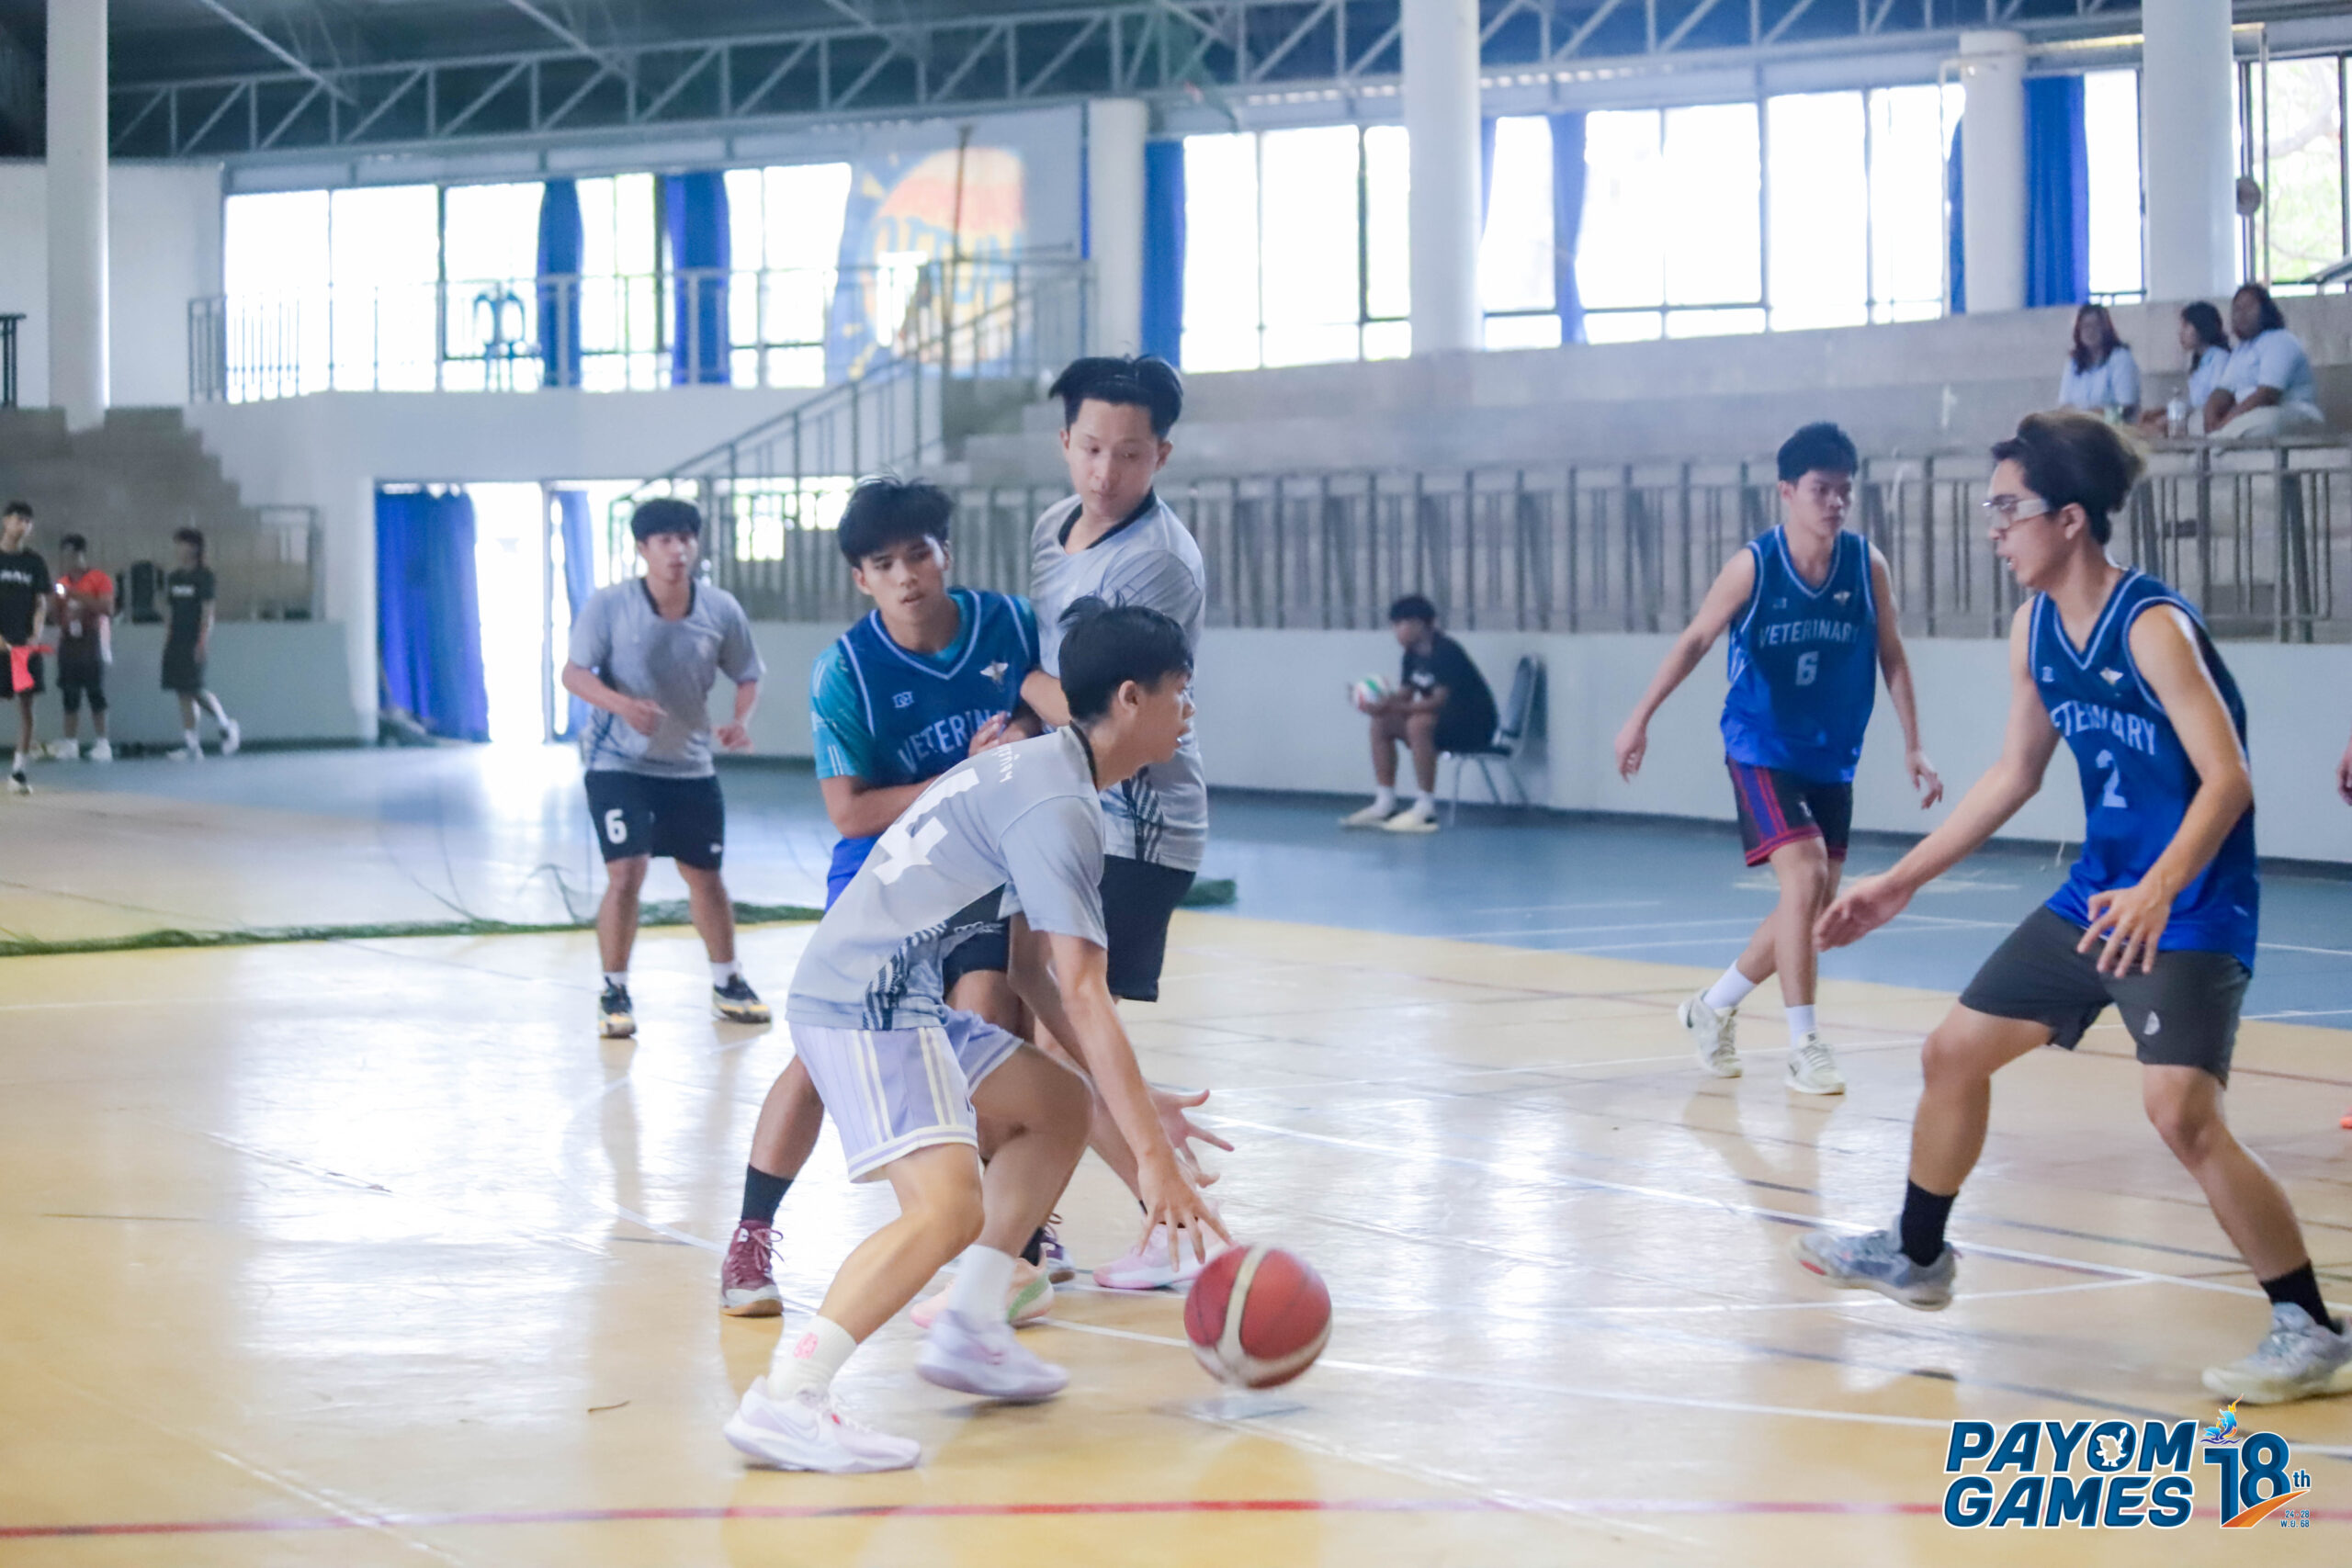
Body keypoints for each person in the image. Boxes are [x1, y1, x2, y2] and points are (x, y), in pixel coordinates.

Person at [1802, 410, 2350, 1405]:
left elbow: (2229, 780)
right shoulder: (2037, 629)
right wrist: (1898, 881)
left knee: (2180, 1112)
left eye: (2006, 510)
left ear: (2069, 519)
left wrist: (2158, 889)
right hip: (2098, 896)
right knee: (1951, 1053)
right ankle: (1918, 1255)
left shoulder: (2152, 627)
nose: (1993, 530)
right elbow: (2013, 773)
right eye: (1989, 510)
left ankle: (2309, 1327)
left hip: (2189, 902)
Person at [722, 600, 1228, 1474]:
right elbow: (1085, 991)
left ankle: (971, 1322)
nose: (1189, 710)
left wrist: (1132, 1100)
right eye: (1181, 691)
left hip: (895, 990)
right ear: (1131, 697)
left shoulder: (1045, 772)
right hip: (867, 996)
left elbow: (1031, 970)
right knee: (946, 1208)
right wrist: (1153, 1158)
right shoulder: (1059, 804)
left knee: (1057, 1104)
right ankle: (789, 1395)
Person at [724, 477, 1045, 1318]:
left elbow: (1049, 714)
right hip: (883, 875)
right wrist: (962, 778)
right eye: (884, 563)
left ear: (946, 554)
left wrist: (1023, 736)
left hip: (981, 873)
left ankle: (1006, 1235)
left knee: (992, 1014)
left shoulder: (1011, 625)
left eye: (918, 555)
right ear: (860, 578)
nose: (906, 575)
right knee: (823, 1053)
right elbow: (851, 811)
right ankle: (752, 1232)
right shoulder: (846, 670)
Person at [1614, 422, 1942, 1096]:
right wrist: (1640, 716)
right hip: (1760, 743)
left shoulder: (1866, 565)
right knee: (1806, 876)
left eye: (1844, 491)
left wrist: (1914, 742)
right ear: (1786, 491)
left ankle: (1712, 1007)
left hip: (1833, 753)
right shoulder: (1754, 567)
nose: (1835, 503)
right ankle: (1805, 1044)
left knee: (1814, 903)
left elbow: (1893, 655)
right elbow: (1695, 639)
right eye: (1821, 490)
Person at [1022, 354, 1230, 1291]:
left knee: (1065, 1033)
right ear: (1065, 441)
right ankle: (1034, 1230)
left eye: (1132, 455)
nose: (1106, 473)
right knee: (1038, 1028)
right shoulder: (1050, 528)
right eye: (1092, 448)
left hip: (1137, 820)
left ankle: (1168, 1222)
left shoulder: (1156, 562)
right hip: (1067, 804)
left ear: (1163, 457)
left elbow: (1104, 712)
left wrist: (1010, 687)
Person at [560, 498, 769, 1039]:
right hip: (617, 761)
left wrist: (739, 720)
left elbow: (748, 673)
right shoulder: (611, 605)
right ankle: (614, 990)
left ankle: (728, 982)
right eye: (665, 540)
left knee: (705, 875)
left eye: (686, 538)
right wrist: (623, 706)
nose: (678, 550)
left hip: (689, 764)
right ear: (643, 549)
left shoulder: (720, 608)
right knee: (626, 872)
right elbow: (574, 673)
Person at [1340, 594, 1499, 833]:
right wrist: (1375, 703)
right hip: (1441, 724)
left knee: (1419, 724)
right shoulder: (1411, 655)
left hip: (1472, 727)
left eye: (1399, 624)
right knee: (1382, 723)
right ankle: (1385, 803)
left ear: (1419, 624)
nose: (1395, 631)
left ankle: (1425, 808)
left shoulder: (1446, 651)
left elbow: (1437, 701)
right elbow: (1404, 696)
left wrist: (1394, 707)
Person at [2205, 285, 2325, 442]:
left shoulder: (2281, 340)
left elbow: (2267, 395)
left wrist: (2227, 420)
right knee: (2195, 420)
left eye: (2248, 307)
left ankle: (2217, 442)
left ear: (2265, 310)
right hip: (2247, 414)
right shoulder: (2241, 349)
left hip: (2290, 411)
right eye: (2237, 309)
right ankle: (2219, 440)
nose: (2241, 314)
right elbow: (2223, 390)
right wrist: (2210, 413)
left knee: (2264, 421)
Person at [162, 528, 241, 761]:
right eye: (177, 544)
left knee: (195, 689)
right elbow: (171, 611)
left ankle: (226, 726)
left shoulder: (204, 577)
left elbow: (208, 612)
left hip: (193, 639)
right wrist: (168, 638)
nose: (178, 549)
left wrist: (202, 641)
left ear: (194, 548)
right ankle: (192, 746)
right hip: (176, 640)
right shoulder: (174, 578)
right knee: (182, 692)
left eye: (183, 544)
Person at [51, 533, 114, 762]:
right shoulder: (61, 582)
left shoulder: (99, 578)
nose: (67, 560)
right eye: (64, 555)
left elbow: (107, 608)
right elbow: (56, 614)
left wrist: (77, 596)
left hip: (91, 640)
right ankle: (70, 744)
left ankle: (103, 743)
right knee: (69, 693)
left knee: (95, 691)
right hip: (69, 641)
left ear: (80, 554)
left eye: (71, 554)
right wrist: (55, 604)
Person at [0, 501, 49, 795]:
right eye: (19, 519)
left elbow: (41, 603)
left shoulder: (34, 563)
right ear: (6, 521)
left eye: (28, 521)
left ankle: (18, 772)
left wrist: (35, 635)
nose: (24, 525)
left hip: (23, 647)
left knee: (27, 707)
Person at [2056, 303, 2140, 422]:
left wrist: (2089, 416)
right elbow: (2064, 405)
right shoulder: (2073, 362)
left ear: (2106, 329)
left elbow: (2126, 406)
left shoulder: (2121, 358)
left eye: (2096, 326)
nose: (2090, 331)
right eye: (2085, 326)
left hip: (2112, 429)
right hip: (2079, 428)